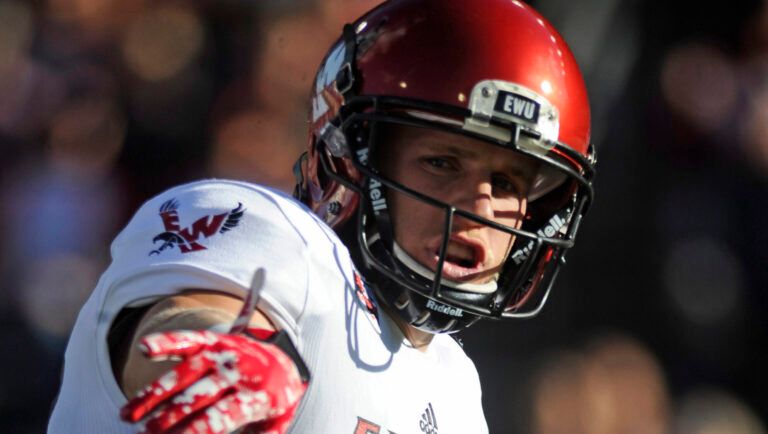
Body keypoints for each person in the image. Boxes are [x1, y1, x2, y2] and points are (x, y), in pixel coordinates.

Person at [47, 0, 596, 433]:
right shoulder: (281, 237)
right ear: (351, 159)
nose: (479, 207)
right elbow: (178, 319)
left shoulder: (457, 392)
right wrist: (222, 355)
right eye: (442, 162)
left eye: (506, 183)